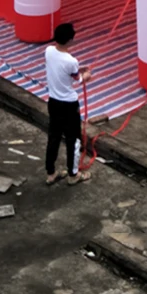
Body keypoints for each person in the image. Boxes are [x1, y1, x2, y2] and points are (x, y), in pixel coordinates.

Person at [44, 22, 91, 186]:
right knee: (74, 139)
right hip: (69, 105)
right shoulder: (71, 61)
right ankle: (73, 174)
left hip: (53, 102)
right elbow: (79, 79)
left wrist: (79, 70)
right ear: (70, 41)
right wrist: (87, 74)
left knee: (54, 137)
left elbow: (68, 71)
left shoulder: (49, 51)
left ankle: (51, 173)